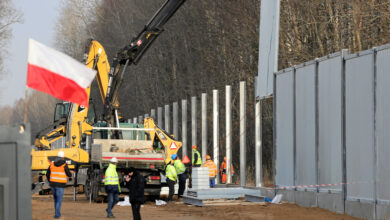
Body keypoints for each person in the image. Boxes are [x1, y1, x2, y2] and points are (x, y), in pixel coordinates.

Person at [46, 150, 72, 219]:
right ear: (63, 157)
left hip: (53, 185)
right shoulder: (64, 165)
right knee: (59, 201)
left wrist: (50, 181)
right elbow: (69, 174)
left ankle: (57, 213)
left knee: (56, 200)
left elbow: (47, 174)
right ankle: (57, 215)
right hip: (60, 185)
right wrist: (70, 173)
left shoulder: (52, 164)